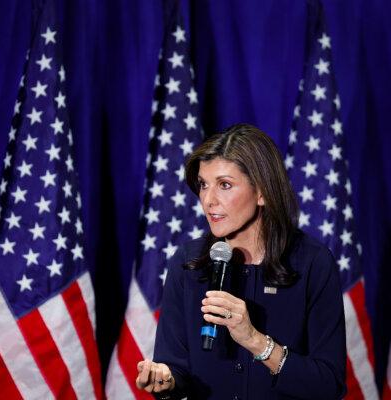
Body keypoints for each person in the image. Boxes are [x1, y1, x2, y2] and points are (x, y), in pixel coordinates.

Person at [135, 124, 346, 399]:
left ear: (262, 192)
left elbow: (329, 385)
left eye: (224, 185)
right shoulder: (189, 262)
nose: (208, 200)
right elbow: (178, 370)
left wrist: (254, 340)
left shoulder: (311, 263)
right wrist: (166, 382)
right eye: (203, 185)